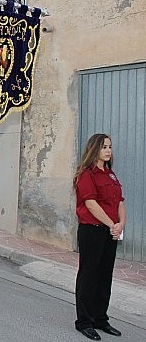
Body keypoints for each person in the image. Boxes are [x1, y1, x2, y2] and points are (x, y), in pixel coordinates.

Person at [73, 134, 125, 341]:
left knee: (105, 276)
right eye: (104, 147)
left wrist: (120, 224)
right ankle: (84, 321)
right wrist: (112, 224)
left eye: (110, 147)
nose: (108, 150)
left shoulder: (110, 175)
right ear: (95, 149)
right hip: (92, 231)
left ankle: (100, 318)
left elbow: (120, 201)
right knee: (89, 275)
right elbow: (91, 204)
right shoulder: (87, 175)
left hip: (110, 231)